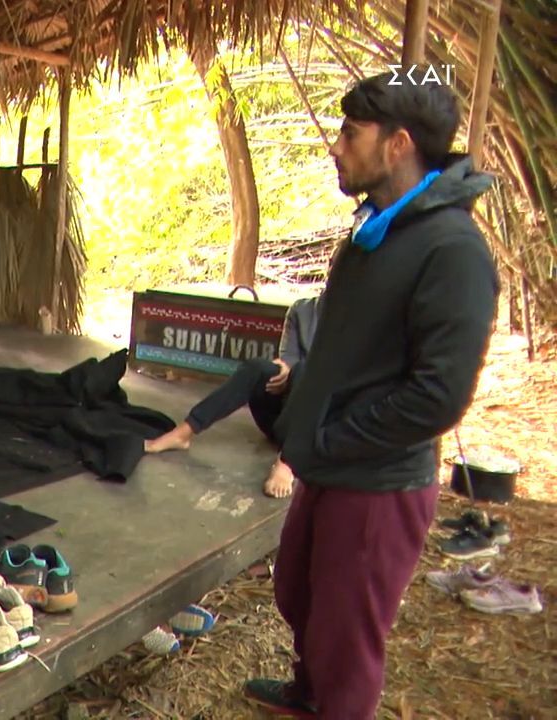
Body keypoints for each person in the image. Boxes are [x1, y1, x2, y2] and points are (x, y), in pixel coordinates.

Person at [243, 70, 498, 719]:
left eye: (351, 133)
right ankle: (310, 694)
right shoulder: (378, 232)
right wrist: (302, 422)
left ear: (397, 144)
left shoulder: (453, 250)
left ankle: (336, 703)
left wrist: (332, 438)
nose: (336, 146)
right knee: (298, 593)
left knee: (347, 638)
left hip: (379, 479)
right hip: (330, 462)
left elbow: (438, 397)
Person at [144, 295, 320, 498]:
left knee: (307, 370)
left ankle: (288, 462)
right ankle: (183, 433)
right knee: (258, 367)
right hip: (284, 418)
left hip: (318, 429)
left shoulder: (352, 319)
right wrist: (286, 368)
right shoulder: (302, 309)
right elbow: (287, 361)